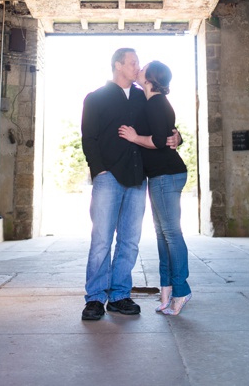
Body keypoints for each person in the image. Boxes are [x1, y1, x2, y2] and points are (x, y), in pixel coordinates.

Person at [80, 48, 149, 321]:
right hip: (108, 177)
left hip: (137, 177)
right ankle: (95, 298)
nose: (137, 66)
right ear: (118, 65)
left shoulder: (144, 98)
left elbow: (158, 127)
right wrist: (100, 171)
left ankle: (120, 295)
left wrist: (176, 135)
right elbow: (89, 138)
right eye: (133, 62)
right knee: (101, 241)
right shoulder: (95, 98)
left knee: (130, 241)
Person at [118, 60, 192, 315]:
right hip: (160, 176)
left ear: (149, 78)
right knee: (162, 235)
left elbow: (161, 140)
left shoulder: (157, 102)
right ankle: (167, 291)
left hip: (166, 175)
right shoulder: (150, 101)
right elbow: (168, 133)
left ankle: (181, 290)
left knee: (171, 234)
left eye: (143, 67)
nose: (138, 68)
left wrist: (134, 137)